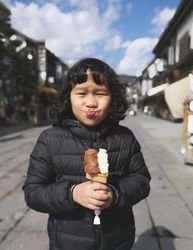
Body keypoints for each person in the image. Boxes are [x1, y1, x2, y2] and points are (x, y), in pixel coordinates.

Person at [23, 58, 151, 250]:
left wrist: (115, 194)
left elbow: (141, 180)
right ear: (68, 97)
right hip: (67, 240)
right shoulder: (49, 139)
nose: (91, 102)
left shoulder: (125, 138)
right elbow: (33, 192)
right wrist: (72, 193)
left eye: (101, 93)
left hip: (118, 238)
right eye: (81, 93)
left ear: (113, 97)